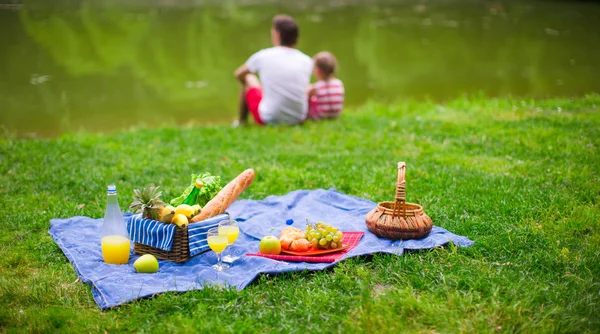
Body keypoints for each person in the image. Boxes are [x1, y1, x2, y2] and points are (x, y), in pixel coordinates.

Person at [233, 15, 313, 126]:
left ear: (277, 34)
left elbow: (238, 74)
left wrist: (260, 88)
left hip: (269, 118)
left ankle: (241, 122)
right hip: (298, 119)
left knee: (248, 77)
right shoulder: (307, 60)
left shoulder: (263, 55)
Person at [307, 51, 345, 120]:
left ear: (319, 71)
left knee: (310, 95)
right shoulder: (339, 83)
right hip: (336, 114)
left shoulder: (316, 87)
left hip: (320, 117)